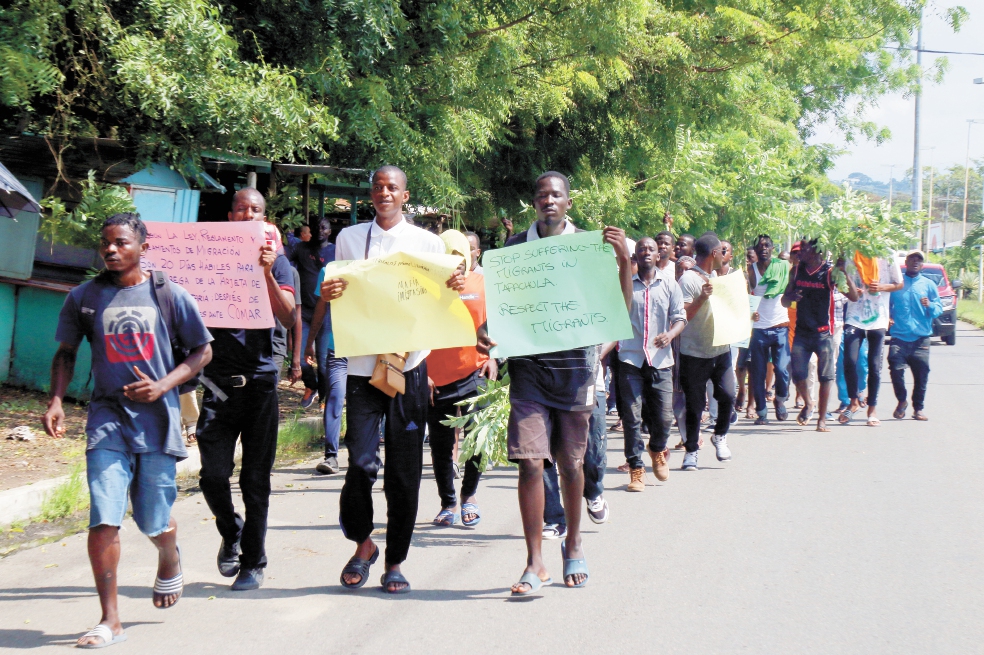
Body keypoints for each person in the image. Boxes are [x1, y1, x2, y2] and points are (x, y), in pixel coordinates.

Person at [43, 213, 213, 647]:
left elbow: (202, 351)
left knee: (154, 518)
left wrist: (163, 386)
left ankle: (169, 555)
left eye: (121, 243)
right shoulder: (84, 296)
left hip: (157, 422)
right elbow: (65, 353)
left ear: (143, 246)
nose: (111, 250)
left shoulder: (168, 294)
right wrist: (58, 401)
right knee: (104, 516)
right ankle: (109, 619)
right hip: (107, 418)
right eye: (105, 244)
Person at [476, 171, 632, 594]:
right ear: (534, 201)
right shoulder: (514, 249)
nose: (549, 200)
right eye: (542, 194)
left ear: (568, 202)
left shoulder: (590, 248)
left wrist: (623, 262)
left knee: (571, 464)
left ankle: (575, 544)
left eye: (557, 194)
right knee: (529, 461)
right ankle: (534, 561)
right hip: (529, 373)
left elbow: (616, 309)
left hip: (577, 371)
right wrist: (485, 332)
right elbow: (500, 311)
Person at [318, 166, 465, 594]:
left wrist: (453, 283)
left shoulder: (427, 243)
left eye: (392, 187)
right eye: (378, 187)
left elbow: (442, 298)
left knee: (403, 473)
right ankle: (364, 544)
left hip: (409, 370)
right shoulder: (349, 239)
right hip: (363, 370)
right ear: (371, 194)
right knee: (360, 464)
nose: (384, 193)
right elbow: (339, 292)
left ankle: (395, 560)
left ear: (405, 195)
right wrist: (329, 294)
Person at [196, 188, 297, 592]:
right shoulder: (209, 259)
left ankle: (253, 562)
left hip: (259, 386)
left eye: (256, 210)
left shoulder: (282, 264)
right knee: (212, 476)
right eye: (242, 209)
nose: (248, 215)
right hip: (217, 386)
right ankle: (231, 531)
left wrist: (267, 272)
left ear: (264, 218)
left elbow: (288, 318)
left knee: (256, 480)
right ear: (230, 216)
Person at [426, 229, 496, 527]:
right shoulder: (424, 287)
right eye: (448, 256)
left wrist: (494, 357)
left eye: (460, 256)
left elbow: (499, 324)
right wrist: (422, 375)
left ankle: (469, 495)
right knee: (441, 446)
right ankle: (448, 502)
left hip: (475, 374)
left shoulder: (483, 283)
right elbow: (414, 330)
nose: (455, 262)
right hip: (434, 380)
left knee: (476, 442)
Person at [617, 237, 687, 491]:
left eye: (651, 249)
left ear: (659, 255)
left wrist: (670, 334)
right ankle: (636, 469)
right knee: (632, 418)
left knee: (664, 417)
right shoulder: (625, 286)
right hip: (630, 359)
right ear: (635, 256)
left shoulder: (670, 285)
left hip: (660, 361)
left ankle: (657, 448)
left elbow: (680, 318)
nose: (646, 252)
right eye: (641, 249)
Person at [781, 238, 858, 431]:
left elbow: (854, 296)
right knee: (798, 372)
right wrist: (791, 297)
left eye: (804, 251)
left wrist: (844, 273)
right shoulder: (797, 271)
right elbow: (784, 300)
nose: (800, 254)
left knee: (826, 376)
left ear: (817, 252)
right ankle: (808, 402)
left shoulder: (831, 273)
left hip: (823, 333)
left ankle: (821, 419)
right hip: (802, 331)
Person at [542, 344, 614, 536]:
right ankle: (554, 518)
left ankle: (593, 491)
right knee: (544, 451)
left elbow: (614, 328)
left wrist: (597, 354)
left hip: (588, 380)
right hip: (545, 381)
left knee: (592, 451)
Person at [293, 219, 347, 475]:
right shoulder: (331, 272)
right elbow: (320, 310)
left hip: (368, 353)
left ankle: (370, 452)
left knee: (365, 403)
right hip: (338, 349)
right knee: (334, 398)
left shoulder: (376, 272)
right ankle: (331, 456)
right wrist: (310, 342)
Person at [677, 233, 735, 469]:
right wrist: (701, 297)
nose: (725, 256)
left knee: (729, 396)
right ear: (714, 253)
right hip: (694, 352)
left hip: (721, 349)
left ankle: (719, 435)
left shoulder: (719, 278)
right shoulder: (688, 280)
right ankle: (691, 451)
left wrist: (746, 316)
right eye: (722, 251)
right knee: (694, 405)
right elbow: (682, 316)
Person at [838, 254, 903, 426]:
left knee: (874, 366)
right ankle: (853, 403)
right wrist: (851, 289)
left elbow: (899, 283)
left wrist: (882, 286)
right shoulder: (851, 252)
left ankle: (872, 409)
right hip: (854, 315)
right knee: (849, 361)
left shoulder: (887, 252)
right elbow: (840, 282)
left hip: (878, 317)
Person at [888, 250, 941, 421]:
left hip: (921, 339)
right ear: (907, 262)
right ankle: (902, 401)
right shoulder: (897, 284)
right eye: (912, 259)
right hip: (899, 337)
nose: (915, 262)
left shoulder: (928, 285)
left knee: (921, 375)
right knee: (895, 370)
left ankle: (918, 408)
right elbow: (886, 304)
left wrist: (930, 305)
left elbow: (938, 308)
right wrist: (888, 317)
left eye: (919, 260)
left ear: (922, 264)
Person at [748, 235, 791, 425]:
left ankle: (780, 400)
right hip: (759, 329)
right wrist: (750, 313)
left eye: (767, 245)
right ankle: (762, 412)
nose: (763, 248)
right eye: (760, 246)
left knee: (782, 369)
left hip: (780, 326)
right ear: (755, 250)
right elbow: (746, 297)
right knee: (757, 373)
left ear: (773, 248)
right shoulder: (752, 270)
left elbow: (790, 289)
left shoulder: (783, 266)